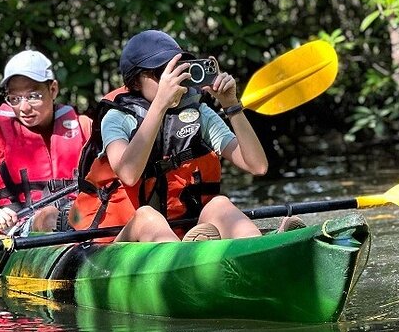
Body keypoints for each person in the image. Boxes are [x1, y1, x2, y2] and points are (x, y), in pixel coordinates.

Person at [68, 29, 269, 242]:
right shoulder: (117, 117)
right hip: (120, 241)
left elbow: (257, 166)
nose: (172, 79)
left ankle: (262, 249)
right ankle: (183, 258)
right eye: (161, 72)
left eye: (176, 68)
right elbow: (128, 173)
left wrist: (231, 105)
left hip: (180, 233)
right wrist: (160, 104)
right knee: (147, 217)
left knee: (220, 205)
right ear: (135, 82)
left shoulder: (198, 113)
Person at [0, 50, 91, 234]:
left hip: (81, 222)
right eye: (15, 99)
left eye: (33, 96)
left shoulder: (84, 127)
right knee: (48, 217)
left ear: (53, 89)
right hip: (18, 232)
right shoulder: (0, 134)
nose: (24, 108)